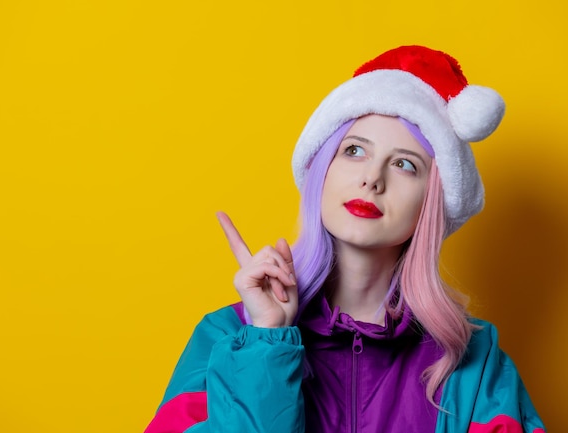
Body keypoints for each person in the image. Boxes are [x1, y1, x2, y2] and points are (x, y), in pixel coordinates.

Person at [144, 45, 546, 433]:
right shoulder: (228, 337)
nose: (372, 178)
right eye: (354, 151)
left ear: (432, 200)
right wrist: (267, 342)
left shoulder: (473, 359)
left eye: (406, 164)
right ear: (322, 168)